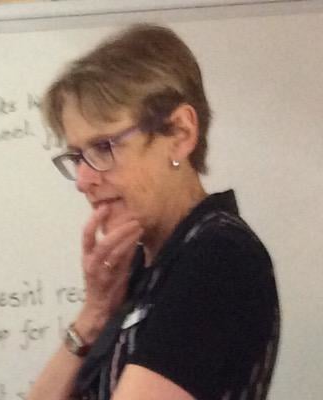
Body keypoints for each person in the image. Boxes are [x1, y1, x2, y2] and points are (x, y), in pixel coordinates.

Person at [29, 24, 280, 400]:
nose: (83, 180)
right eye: (78, 156)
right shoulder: (143, 266)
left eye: (103, 147)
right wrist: (93, 314)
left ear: (179, 133)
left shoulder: (219, 257)